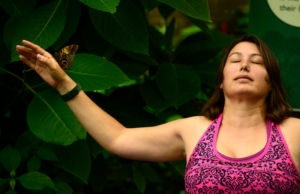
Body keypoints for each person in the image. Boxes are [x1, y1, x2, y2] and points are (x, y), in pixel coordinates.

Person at [16, 35, 300, 193]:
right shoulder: (193, 130)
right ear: (221, 80)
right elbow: (118, 137)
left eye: (257, 62)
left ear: (271, 81)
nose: (245, 66)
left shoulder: (293, 132)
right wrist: (66, 84)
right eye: (235, 60)